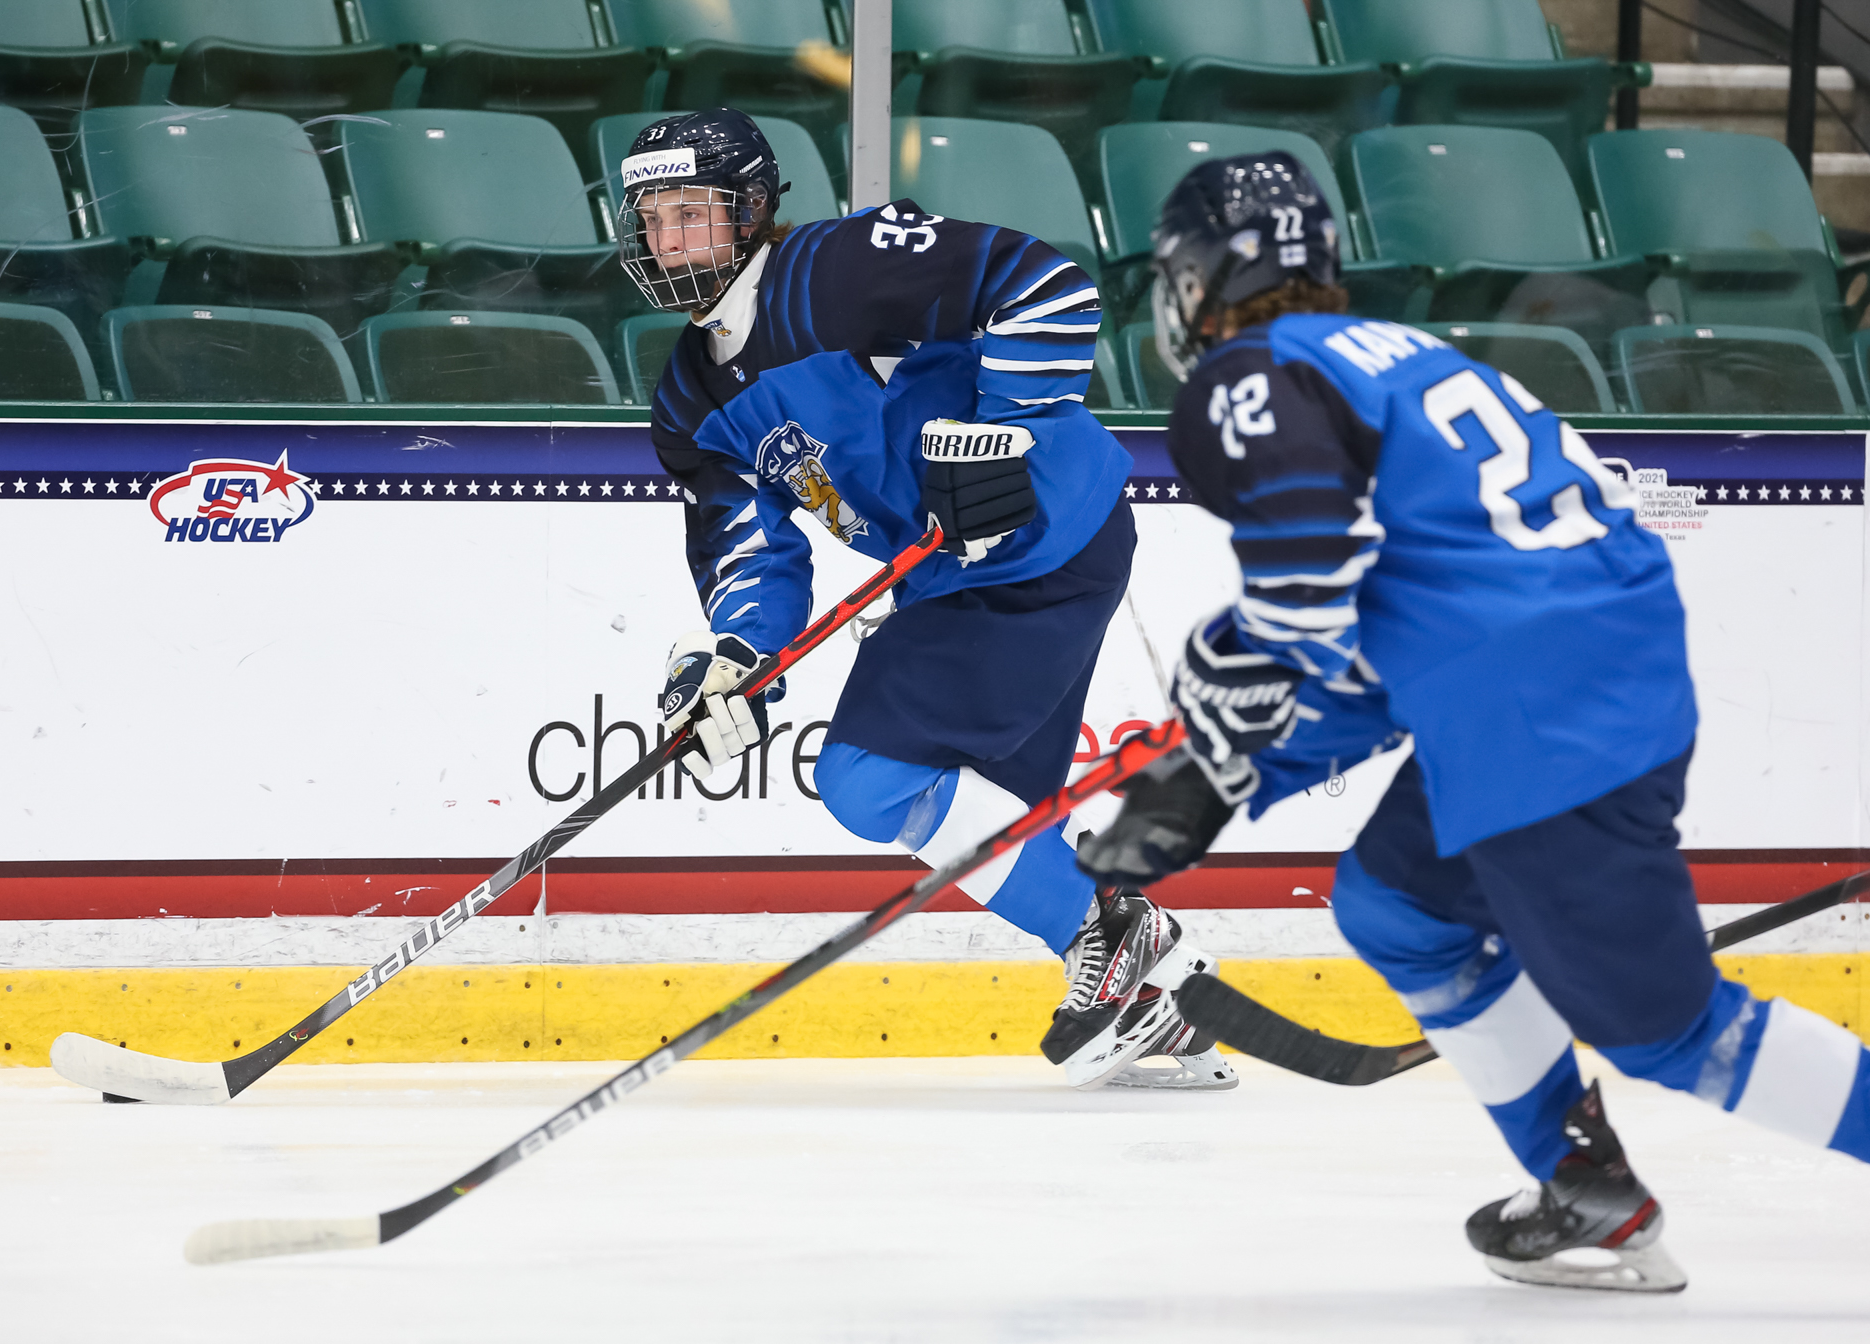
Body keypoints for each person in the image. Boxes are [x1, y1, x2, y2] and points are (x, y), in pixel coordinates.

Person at [1076, 152, 1870, 1289]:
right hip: (1579, 669)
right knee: (1395, 908)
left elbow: (1309, 585)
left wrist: (1219, 712)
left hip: (1538, 712)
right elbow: (1390, 643)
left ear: (1202, 275)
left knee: (1664, 1031)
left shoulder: (1247, 375)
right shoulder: (1397, 357)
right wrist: (1226, 779)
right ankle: (1580, 1187)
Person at [620, 107, 1236, 1090]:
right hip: (964, 578)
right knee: (950, 804)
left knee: (865, 777)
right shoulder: (688, 403)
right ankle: (1138, 984)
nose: (671, 239)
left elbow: (1046, 289)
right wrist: (737, 660)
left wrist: (999, 434)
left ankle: (1109, 933)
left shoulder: (837, 269)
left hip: (1044, 539)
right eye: (654, 218)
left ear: (751, 212)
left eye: (693, 213)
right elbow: (748, 550)